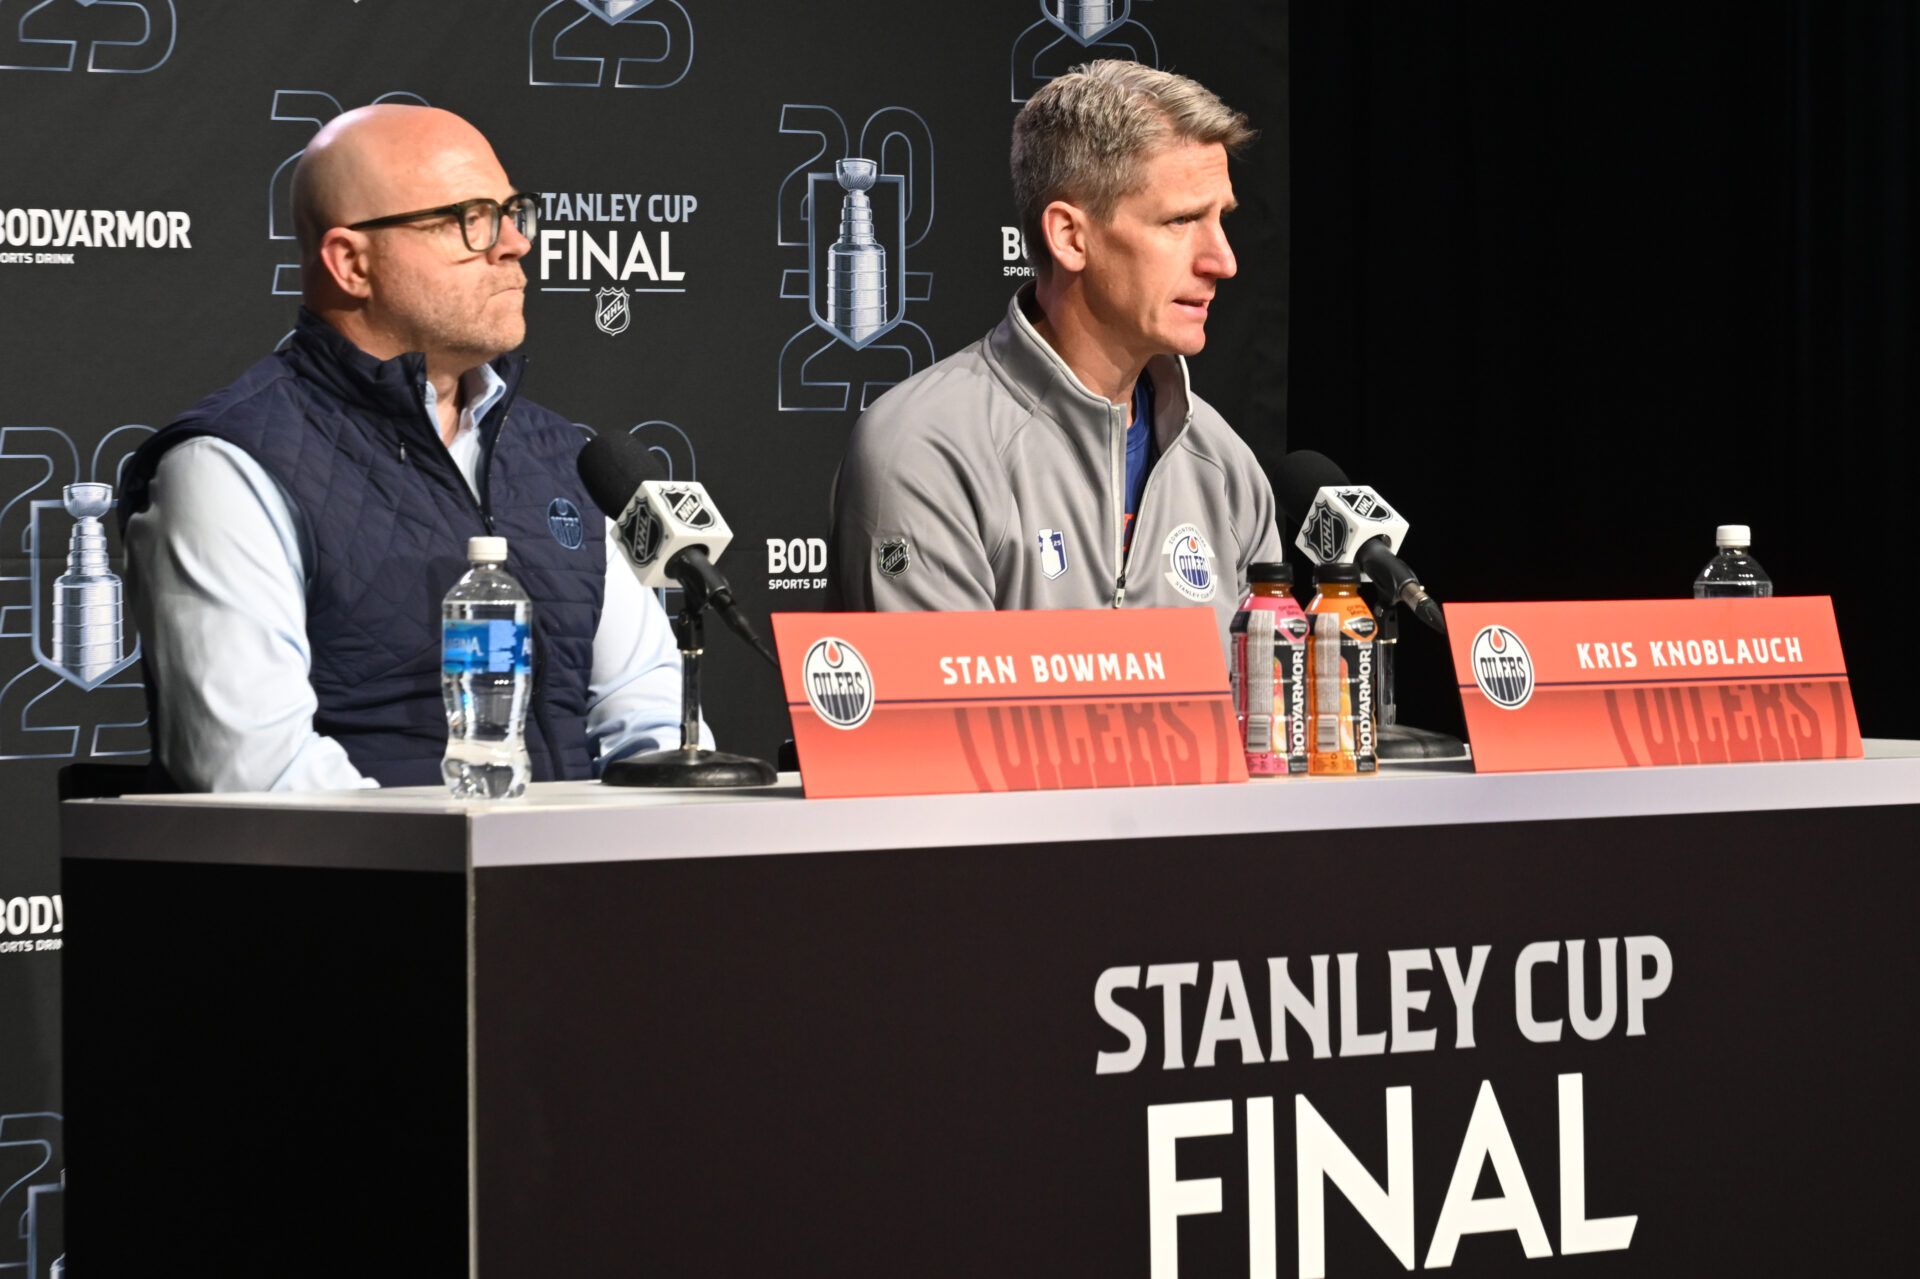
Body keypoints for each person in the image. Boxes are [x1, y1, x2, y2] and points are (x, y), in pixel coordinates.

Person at [121, 104, 698, 791]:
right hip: (370, 863)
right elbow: (261, 773)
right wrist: (478, 851)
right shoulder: (229, 468)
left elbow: (648, 718)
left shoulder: (562, 458)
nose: (515, 243)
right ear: (351, 263)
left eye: (513, 213)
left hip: (574, 860)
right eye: (468, 220)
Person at [826, 60, 1284, 641]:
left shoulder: (1224, 463)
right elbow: (937, 700)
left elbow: (1268, 693)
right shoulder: (925, 450)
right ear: (1069, 236)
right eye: (1182, 220)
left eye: (1221, 220)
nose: (1223, 260)